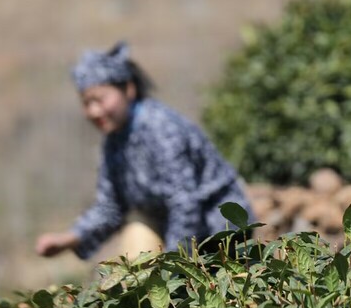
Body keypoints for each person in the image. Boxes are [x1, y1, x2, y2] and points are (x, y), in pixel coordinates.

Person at [35, 41, 252, 261]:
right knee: (135, 237)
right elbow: (110, 208)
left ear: (129, 89)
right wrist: (69, 239)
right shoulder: (113, 143)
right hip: (170, 231)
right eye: (86, 103)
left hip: (220, 230)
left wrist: (175, 265)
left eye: (99, 100)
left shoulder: (161, 127)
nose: (93, 111)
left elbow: (184, 201)